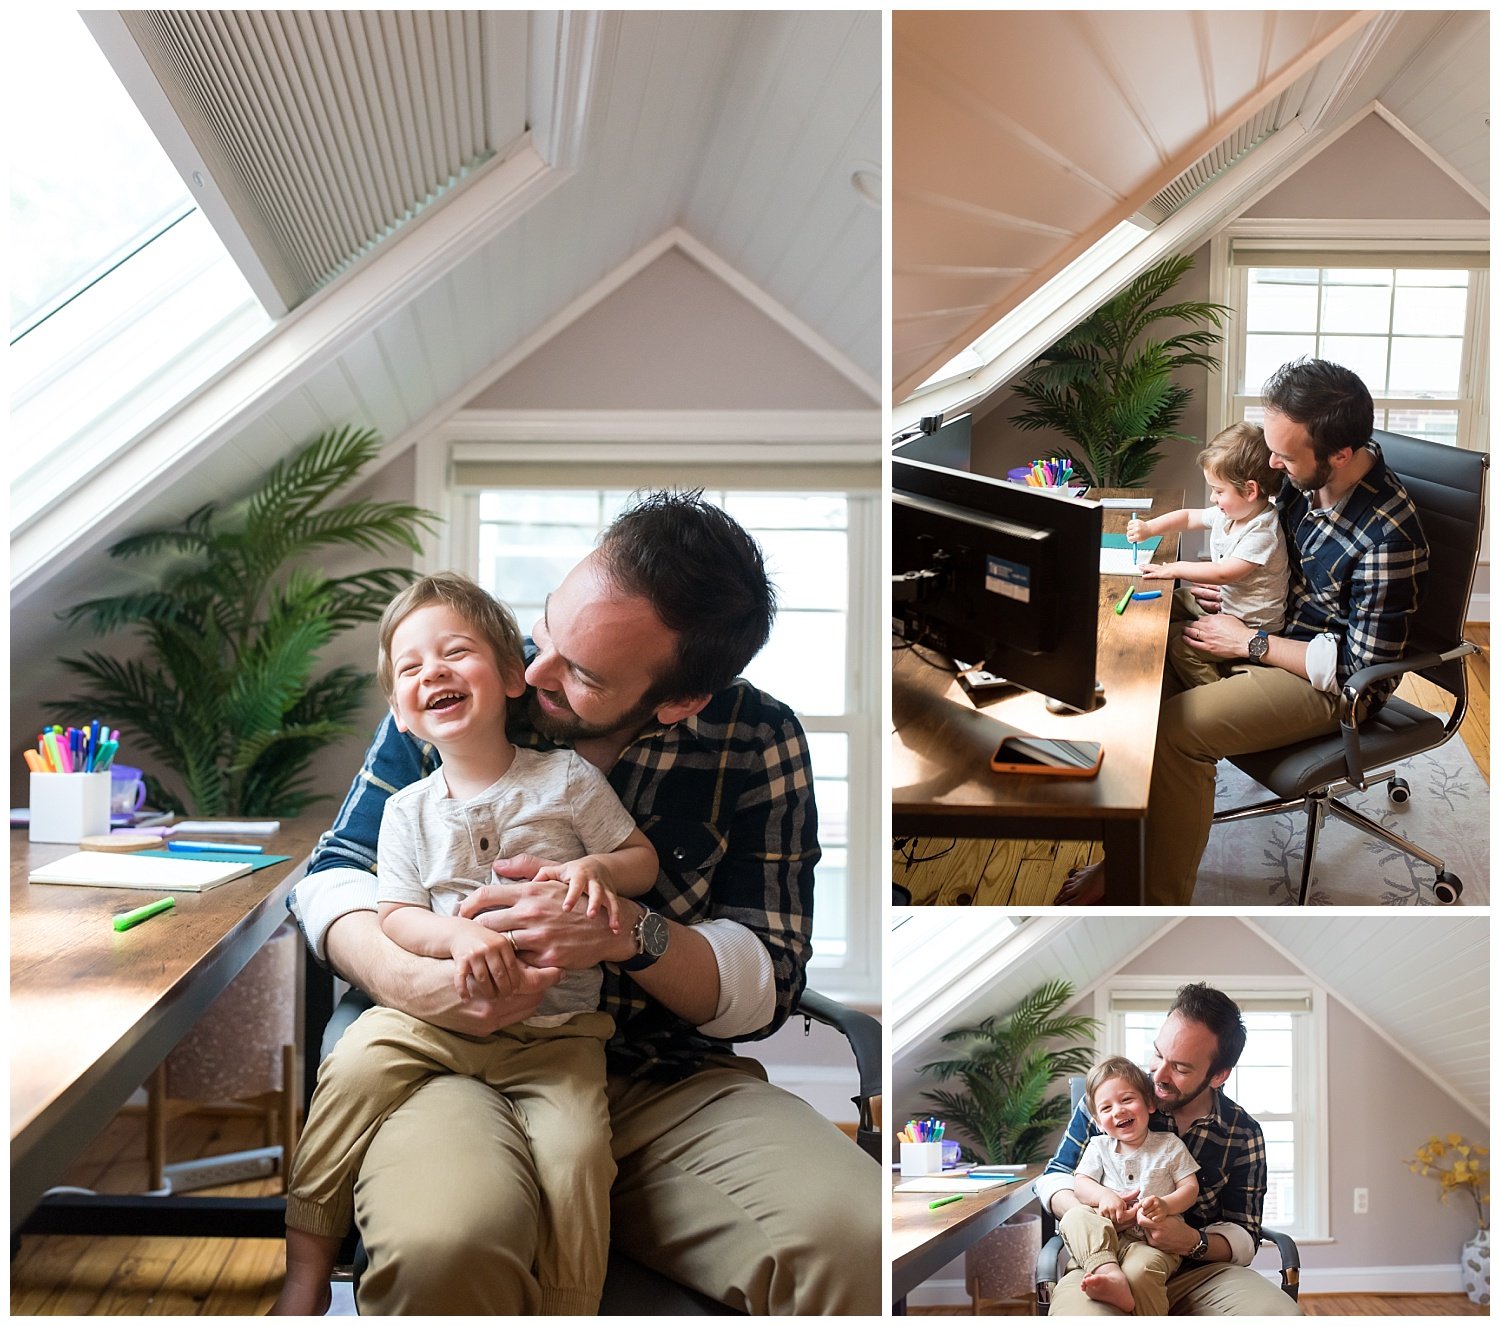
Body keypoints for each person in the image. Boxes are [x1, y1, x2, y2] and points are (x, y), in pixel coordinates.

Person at [287, 490, 880, 1315]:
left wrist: (623, 934)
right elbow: (333, 876)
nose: (533, 674)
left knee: (860, 1243)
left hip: (662, 1080)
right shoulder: (468, 675)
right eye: (547, 631)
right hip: (448, 1059)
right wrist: (414, 978)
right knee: (446, 1248)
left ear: (679, 702)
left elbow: (765, 985)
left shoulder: (756, 740)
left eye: (582, 673)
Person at [272, 573, 659, 1316]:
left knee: (578, 1156)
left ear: (515, 675)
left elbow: (639, 860)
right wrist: (452, 936)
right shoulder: (406, 810)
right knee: (347, 1071)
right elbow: (394, 916)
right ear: (401, 715)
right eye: (412, 668)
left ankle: (569, 1304)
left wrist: (595, 870)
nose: (434, 672)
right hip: (428, 1023)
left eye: (456, 652)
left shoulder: (566, 780)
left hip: (558, 1034)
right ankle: (306, 1270)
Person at [1058, 358, 1427, 905]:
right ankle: (1127, 850)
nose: (1273, 463)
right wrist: (1231, 598)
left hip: (1325, 680)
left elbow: (1357, 673)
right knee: (1144, 622)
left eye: (1285, 455)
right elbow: (1265, 551)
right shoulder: (1304, 479)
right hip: (1271, 622)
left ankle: (1153, 901)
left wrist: (1248, 641)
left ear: (1340, 456)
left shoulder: (1388, 538)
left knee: (1179, 732)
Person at [1038, 984, 1302, 1317]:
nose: (1157, 1075)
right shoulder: (1113, 1101)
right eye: (1158, 1054)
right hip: (1103, 1263)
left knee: (1280, 1317)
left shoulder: (1242, 1133)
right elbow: (1053, 1179)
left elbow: (1244, 1235)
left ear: (1218, 1075)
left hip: (1199, 1273)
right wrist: (1100, 1210)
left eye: (1180, 1068)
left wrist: (1191, 1240)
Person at [1127, 422, 1288, 691]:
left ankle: (1217, 689)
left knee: (1182, 649)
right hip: (1227, 603)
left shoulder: (1262, 530)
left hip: (1249, 624)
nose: (1213, 498)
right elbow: (1189, 516)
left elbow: (1225, 572)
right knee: (1170, 600)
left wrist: (1175, 568)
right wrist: (1149, 528)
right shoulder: (1232, 513)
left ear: (1250, 490)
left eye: (1219, 490)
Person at [1058, 1056, 1200, 1314]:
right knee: (1075, 1215)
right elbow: (1081, 1183)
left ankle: (1127, 1290)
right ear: (1099, 1123)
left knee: (1141, 1273)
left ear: (1149, 1104)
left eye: (1126, 1100)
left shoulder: (1168, 1145)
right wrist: (1104, 1197)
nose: (1118, 1111)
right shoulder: (1098, 1147)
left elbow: (1190, 1188)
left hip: (1151, 1242)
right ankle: (1108, 1272)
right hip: (1105, 1239)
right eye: (1106, 1108)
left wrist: (1166, 1205)